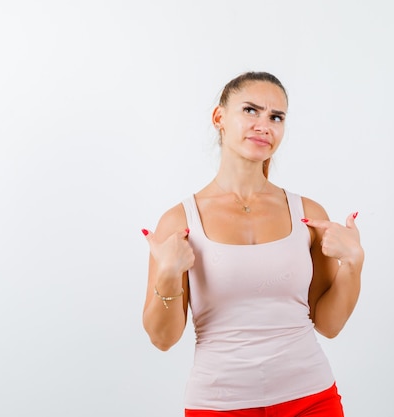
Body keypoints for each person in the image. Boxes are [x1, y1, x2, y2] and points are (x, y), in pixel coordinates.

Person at [141, 71, 364, 417]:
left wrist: (353, 264)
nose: (265, 125)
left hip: (312, 399)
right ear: (219, 118)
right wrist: (168, 274)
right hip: (219, 405)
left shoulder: (308, 214)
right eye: (250, 111)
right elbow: (162, 339)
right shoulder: (180, 221)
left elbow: (329, 325)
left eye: (276, 117)